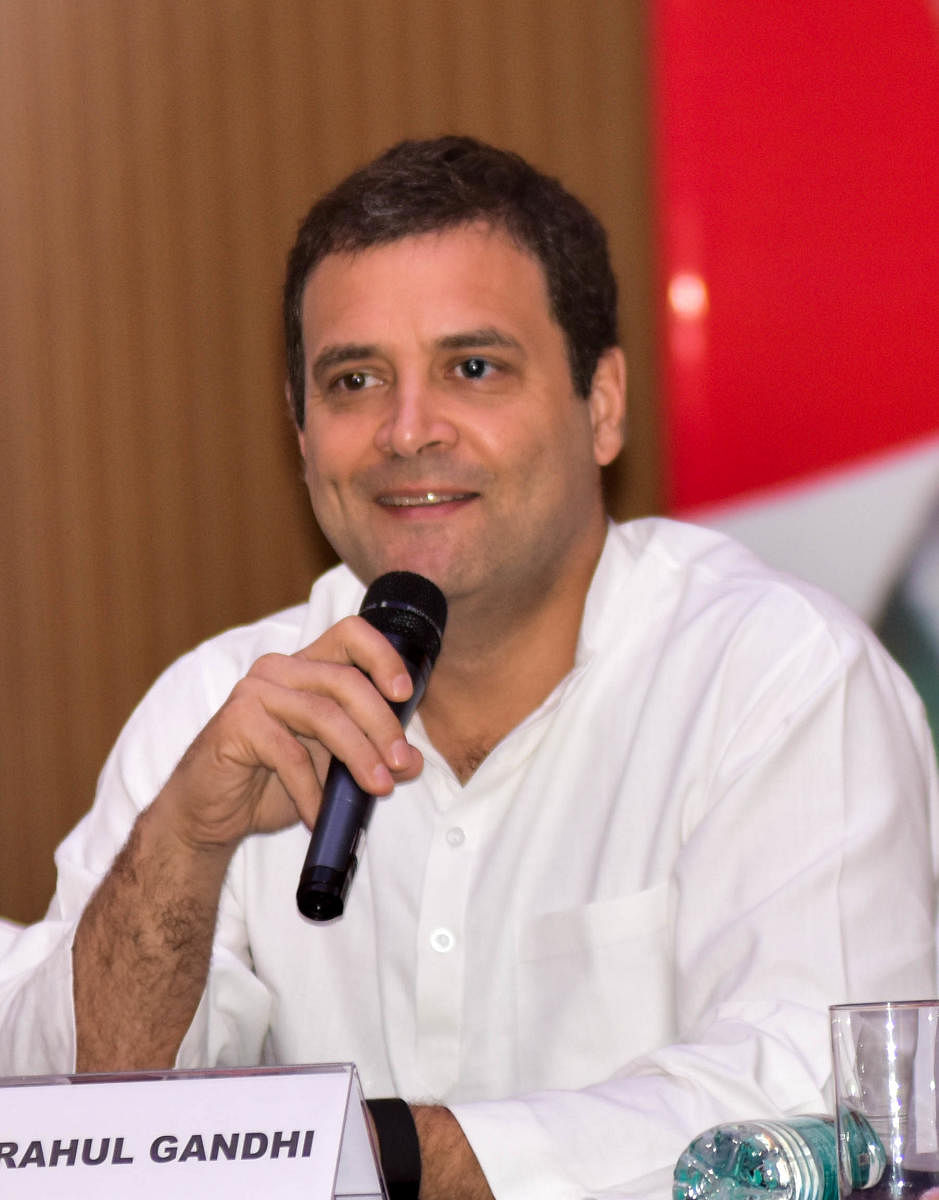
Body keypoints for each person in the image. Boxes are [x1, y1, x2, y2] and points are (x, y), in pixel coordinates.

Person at [0, 136, 936, 1200]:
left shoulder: (778, 680)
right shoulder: (219, 710)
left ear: (604, 405)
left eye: (472, 368)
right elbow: (63, 1137)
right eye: (354, 380)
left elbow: (828, 1118)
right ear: (302, 436)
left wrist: (397, 1157)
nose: (407, 431)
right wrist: (183, 847)